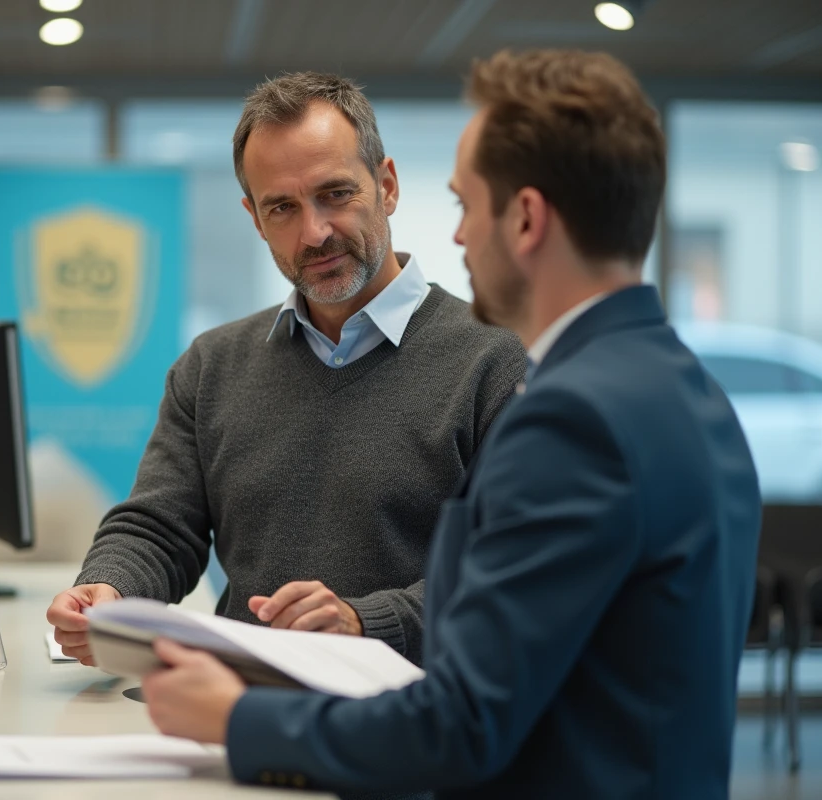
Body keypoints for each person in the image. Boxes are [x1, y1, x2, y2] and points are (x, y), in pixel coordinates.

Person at [140, 49, 762, 799]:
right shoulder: (685, 389)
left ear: (525, 218)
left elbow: (463, 722)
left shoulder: (575, 419)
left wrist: (238, 720)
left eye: (466, 205)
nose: (459, 237)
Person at [48, 72, 526, 666]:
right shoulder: (212, 365)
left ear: (387, 186)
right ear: (255, 218)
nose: (314, 232)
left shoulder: (496, 361)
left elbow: (511, 569)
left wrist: (364, 623)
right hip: (238, 698)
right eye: (282, 208)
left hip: (411, 707)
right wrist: (108, 589)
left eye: (336, 194)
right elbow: (160, 527)